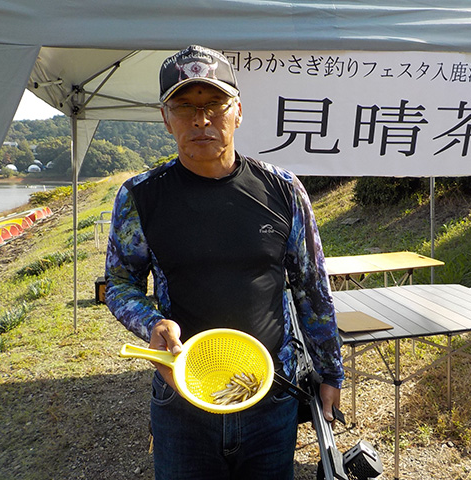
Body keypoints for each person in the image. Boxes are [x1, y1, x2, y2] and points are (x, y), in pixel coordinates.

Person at [105, 45, 344, 480]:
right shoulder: (140, 196)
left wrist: (331, 371)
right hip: (183, 400)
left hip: (271, 396)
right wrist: (152, 324)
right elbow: (120, 283)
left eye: (214, 104)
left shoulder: (283, 190)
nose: (201, 120)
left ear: (237, 111)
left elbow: (312, 286)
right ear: (165, 118)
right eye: (184, 106)